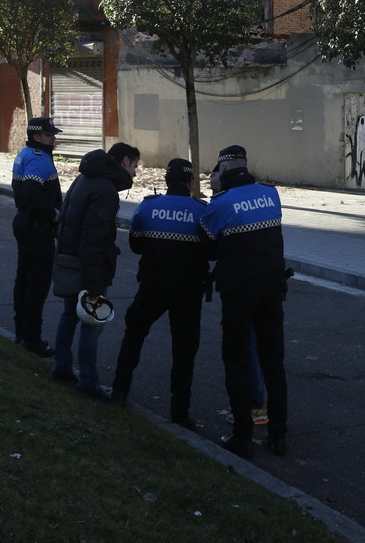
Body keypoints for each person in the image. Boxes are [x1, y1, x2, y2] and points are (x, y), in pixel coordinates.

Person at [199, 144, 288, 459]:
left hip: (239, 293)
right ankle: (278, 436)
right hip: (272, 289)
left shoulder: (221, 203)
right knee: (273, 363)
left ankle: (243, 437)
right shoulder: (271, 194)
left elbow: (207, 247)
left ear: (223, 170)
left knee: (237, 361)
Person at [110, 158, 210, 428]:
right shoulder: (202, 211)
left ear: (166, 181)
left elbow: (136, 246)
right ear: (190, 182)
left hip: (153, 288)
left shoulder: (148, 206)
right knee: (184, 351)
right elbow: (211, 250)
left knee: (133, 335)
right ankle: (179, 411)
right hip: (188, 291)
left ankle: (119, 391)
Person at [51, 142, 140, 399]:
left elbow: (67, 221)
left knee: (69, 316)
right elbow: (94, 240)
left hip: (69, 259)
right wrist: (95, 284)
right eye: (135, 166)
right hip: (87, 267)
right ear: (125, 161)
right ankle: (88, 381)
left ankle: (62, 367)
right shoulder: (106, 190)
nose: (135, 173)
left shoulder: (85, 178)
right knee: (92, 323)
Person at [10, 115, 64, 357]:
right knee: (37, 284)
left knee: (24, 279)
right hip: (36, 226)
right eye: (50, 134)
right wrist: (52, 213)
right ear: (37, 136)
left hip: (25, 222)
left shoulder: (25, 154)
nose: (53, 138)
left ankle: (22, 332)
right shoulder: (39, 158)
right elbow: (32, 189)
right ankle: (32, 339)